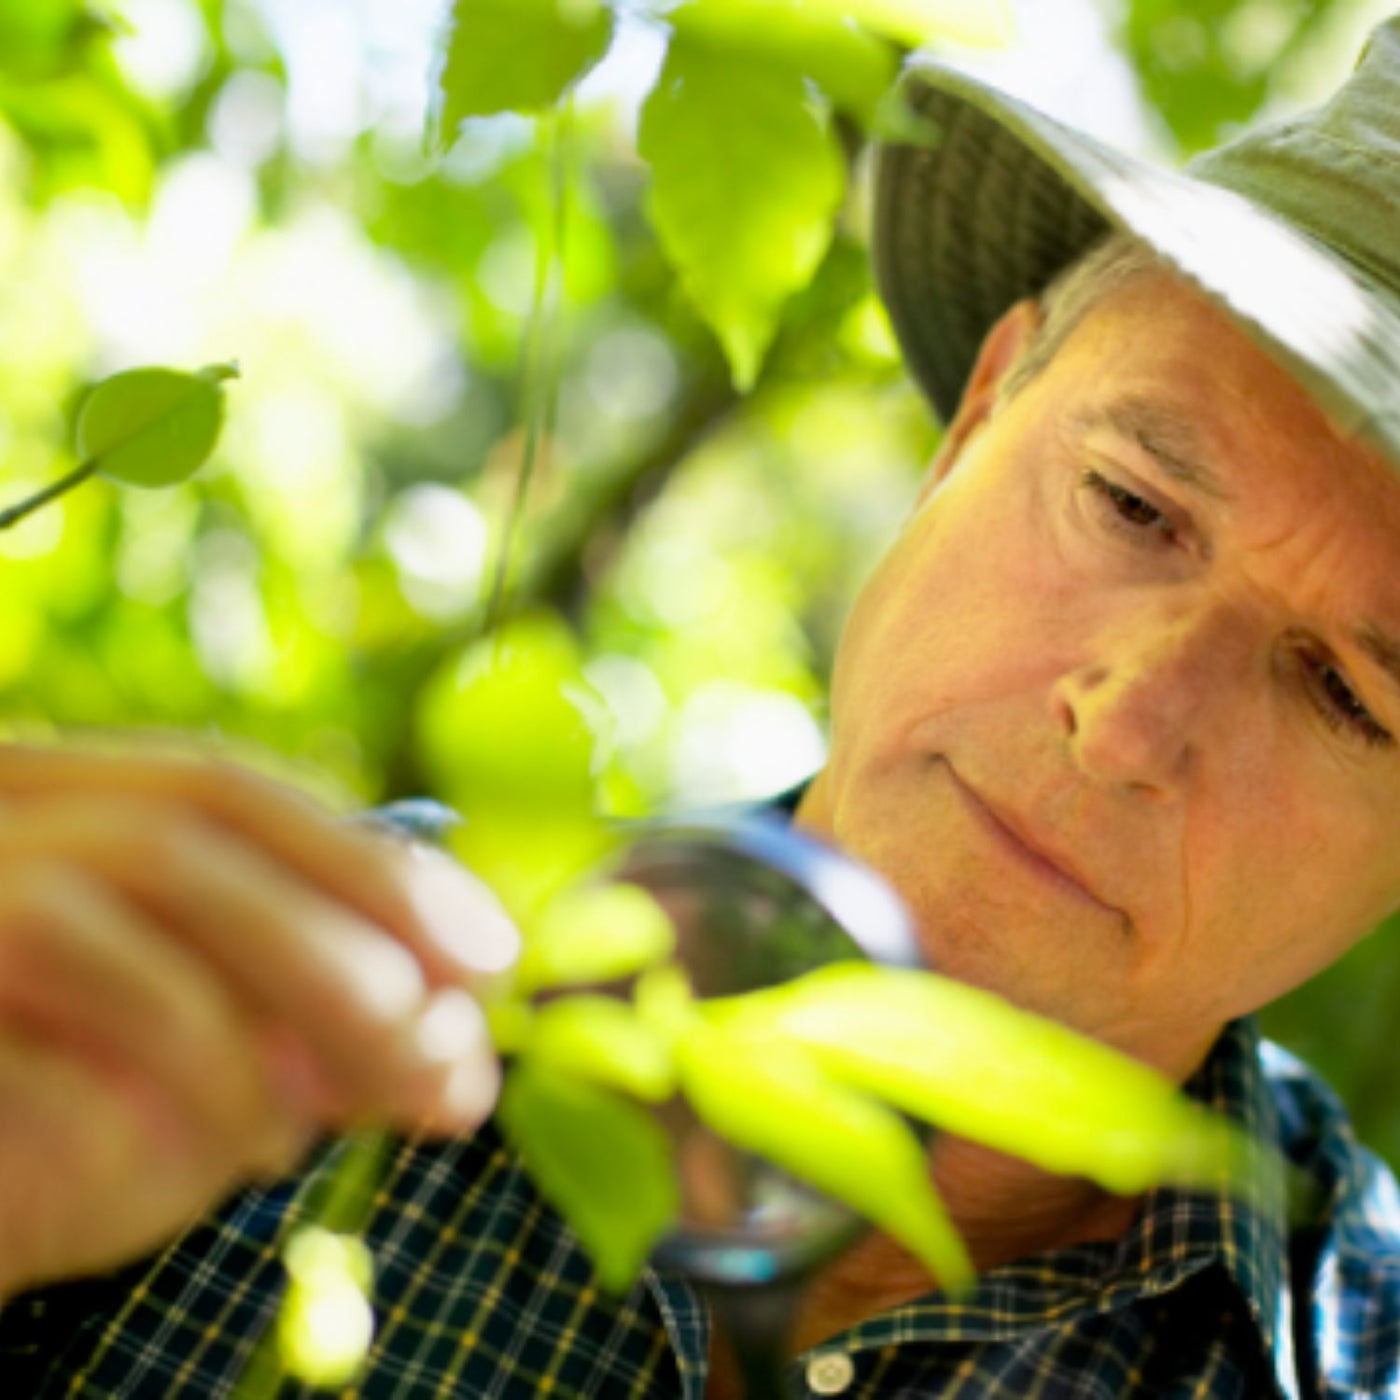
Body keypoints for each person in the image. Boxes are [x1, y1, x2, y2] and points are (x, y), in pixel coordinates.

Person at [9, 13, 1400, 1400]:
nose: (1130, 724)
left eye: (1347, 693)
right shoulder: (230, 1006)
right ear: (974, 423)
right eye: (1134, 504)